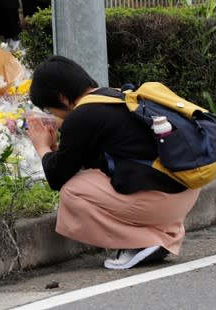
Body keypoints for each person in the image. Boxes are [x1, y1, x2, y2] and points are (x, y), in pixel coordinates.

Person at [26, 55, 201, 269]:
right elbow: (85, 163)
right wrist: (56, 151)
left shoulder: (82, 115)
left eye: (49, 108)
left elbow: (57, 178)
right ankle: (164, 235)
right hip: (187, 190)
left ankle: (141, 241)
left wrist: (42, 146)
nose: (51, 114)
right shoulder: (116, 97)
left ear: (61, 97)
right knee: (92, 179)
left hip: (163, 199)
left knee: (73, 191)